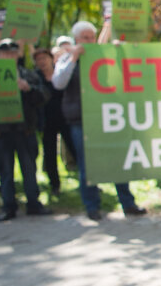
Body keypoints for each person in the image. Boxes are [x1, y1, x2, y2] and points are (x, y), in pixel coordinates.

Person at [52, 21, 147, 221]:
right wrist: (74, 57)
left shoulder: (103, 56)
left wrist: (119, 53)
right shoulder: (67, 58)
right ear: (76, 39)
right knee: (88, 166)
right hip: (81, 121)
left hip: (106, 118)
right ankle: (92, 206)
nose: (89, 41)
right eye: (84, 38)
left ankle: (127, 203)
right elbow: (58, 83)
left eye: (91, 37)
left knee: (117, 161)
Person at [0, 38, 52, 221]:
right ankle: (8, 206)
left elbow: (43, 97)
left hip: (25, 131)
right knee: (5, 172)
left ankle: (34, 203)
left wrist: (28, 89)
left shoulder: (28, 75)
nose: (9, 56)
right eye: (4, 52)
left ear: (18, 55)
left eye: (12, 52)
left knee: (29, 169)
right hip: (0, 133)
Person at [33, 48, 73, 196]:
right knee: (49, 154)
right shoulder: (35, 77)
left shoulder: (60, 73)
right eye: (38, 59)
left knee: (75, 149)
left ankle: (87, 182)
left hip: (65, 118)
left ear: (51, 59)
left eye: (44, 58)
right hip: (46, 121)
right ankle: (54, 184)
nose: (42, 62)